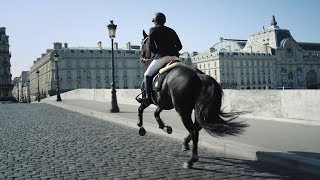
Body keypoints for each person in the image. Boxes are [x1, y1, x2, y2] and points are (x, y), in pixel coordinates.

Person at [140, 12, 182, 105]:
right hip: (175, 57)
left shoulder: (152, 30)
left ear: (155, 21)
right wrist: (172, 50)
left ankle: (147, 97)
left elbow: (151, 46)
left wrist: (158, 52)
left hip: (162, 57)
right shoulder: (172, 30)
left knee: (147, 75)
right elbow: (179, 46)